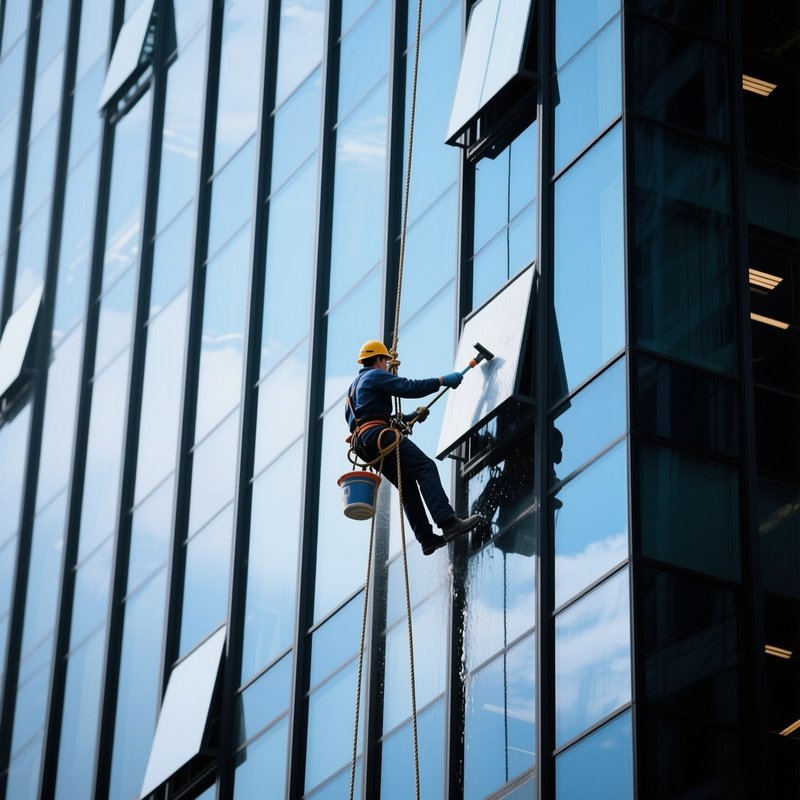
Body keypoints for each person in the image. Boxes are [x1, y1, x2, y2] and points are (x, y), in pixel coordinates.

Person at [345, 339, 482, 555]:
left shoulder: (352, 390)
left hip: (365, 444)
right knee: (425, 468)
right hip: (377, 436)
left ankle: (426, 539)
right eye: (385, 362)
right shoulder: (375, 375)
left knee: (407, 485)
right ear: (379, 360)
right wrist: (442, 380)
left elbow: (366, 418)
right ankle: (448, 523)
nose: (387, 366)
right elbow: (409, 387)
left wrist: (408, 418)